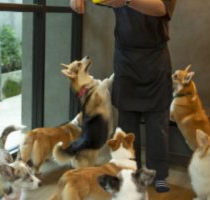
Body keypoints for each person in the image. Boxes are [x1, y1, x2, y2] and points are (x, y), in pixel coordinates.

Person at [70, 0, 176, 193]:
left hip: (155, 60)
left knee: (157, 126)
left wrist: (127, 0)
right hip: (126, 59)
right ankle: (129, 172)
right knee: (127, 125)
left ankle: (158, 174)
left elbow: (160, 8)